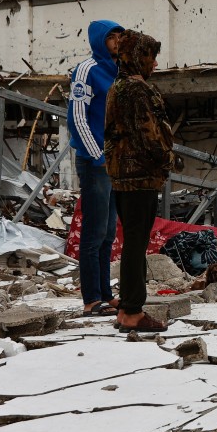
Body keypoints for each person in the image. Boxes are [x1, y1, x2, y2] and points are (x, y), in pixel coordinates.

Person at [103, 30, 171, 333]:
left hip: (121, 174)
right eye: (151, 57)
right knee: (136, 244)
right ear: (138, 57)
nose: (154, 63)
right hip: (140, 175)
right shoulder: (138, 90)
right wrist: (167, 159)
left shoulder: (116, 87)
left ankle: (125, 309)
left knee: (132, 241)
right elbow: (150, 135)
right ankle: (132, 312)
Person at [68, 20, 125, 316]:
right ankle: (91, 299)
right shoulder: (86, 70)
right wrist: (97, 155)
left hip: (114, 162)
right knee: (93, 233)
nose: (116, 41)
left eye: (119, 37)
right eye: (110, 37)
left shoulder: (120, 70)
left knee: (107, 233)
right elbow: (78, 117)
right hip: (95, 163)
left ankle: (105, 294)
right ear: (99, 41)